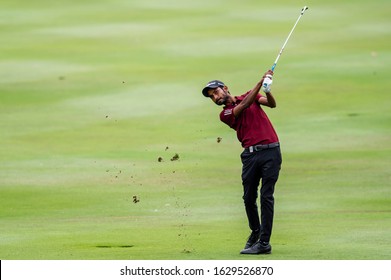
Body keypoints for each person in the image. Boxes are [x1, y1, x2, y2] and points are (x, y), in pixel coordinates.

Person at [201, 70, 282, 254]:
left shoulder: (249, 95)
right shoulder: (226, 114)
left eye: (216, 92)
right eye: (212, 96)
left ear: (225, 88)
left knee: (266, 197)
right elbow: (244, 105)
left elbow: (271, 104)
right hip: (250, 157)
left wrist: (267, 90)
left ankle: (264, 243)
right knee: (248, 198)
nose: (215, 97)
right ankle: (255, 231)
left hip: (271, 151)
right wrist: (261, 81)